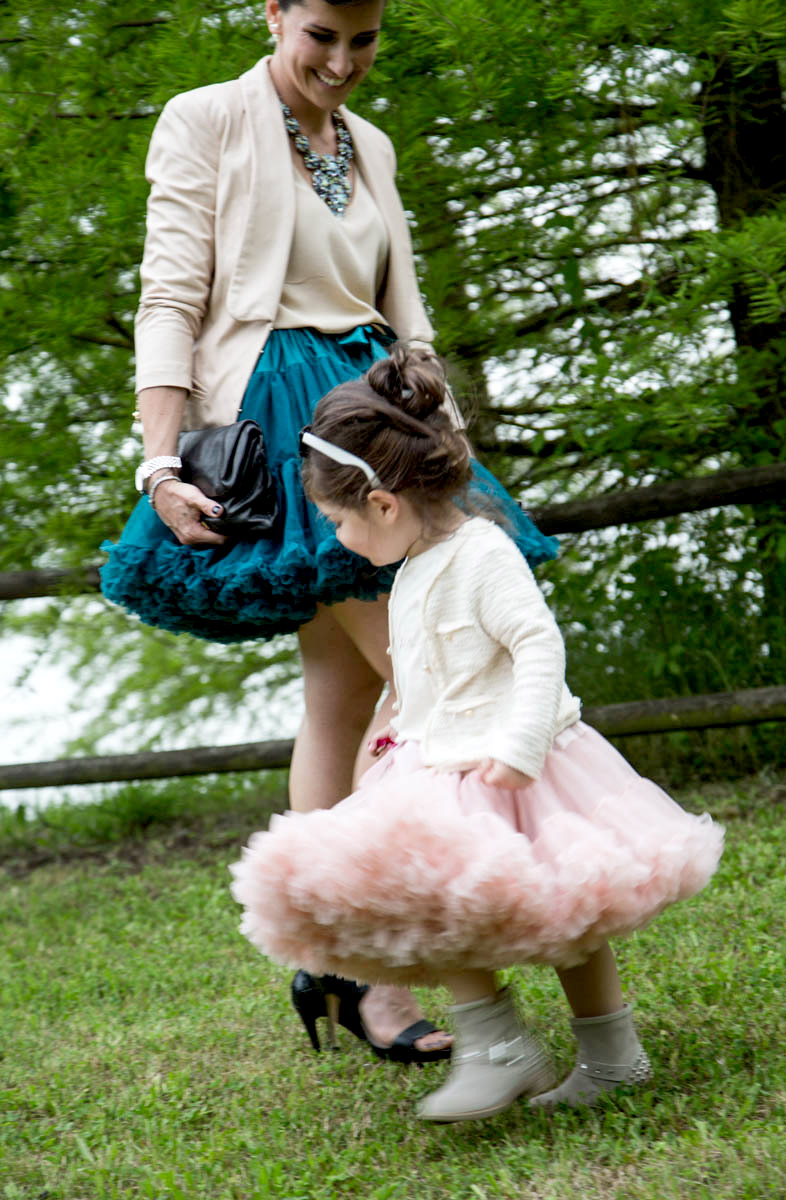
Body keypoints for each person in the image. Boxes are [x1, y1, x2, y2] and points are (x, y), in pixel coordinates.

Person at [99, 0, 559, 1061]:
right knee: (433, 687)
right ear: (273, 14)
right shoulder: (206, 118)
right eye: (319, 36)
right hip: (283, 421)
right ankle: (432, 982)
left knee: (345, 696)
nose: (341, 62)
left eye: (363, 41)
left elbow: (408, 314)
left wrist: (441, 426)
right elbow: (170, 295)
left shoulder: (374, 143)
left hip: (379, 417)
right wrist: (159, 459)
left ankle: (341, 966)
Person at [230, 344, 725, 1124]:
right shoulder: (414, 563)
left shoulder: (481, 555)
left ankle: (612, 1057)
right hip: (441, 763)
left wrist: (520, 747)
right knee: (435, 899)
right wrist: (403, 736)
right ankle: (498, 1047)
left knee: (570, 906)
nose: (339, 541)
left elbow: (537, 646)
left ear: (384, 504)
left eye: (338, 522)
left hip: (518, 760)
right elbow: (428, 672)